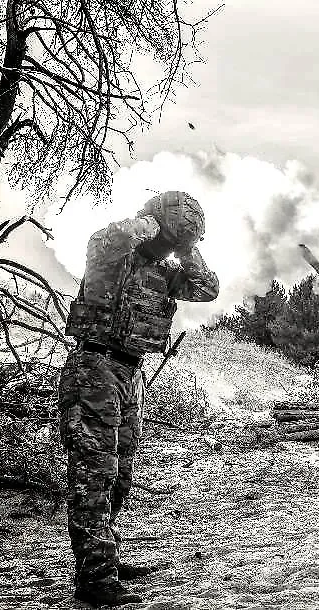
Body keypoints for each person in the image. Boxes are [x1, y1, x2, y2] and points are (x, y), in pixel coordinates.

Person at [59, 191, 219, 606]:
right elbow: (106, 240)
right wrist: (142, 223)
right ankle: (95, 578)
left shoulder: (162, 272)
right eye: (169, 235)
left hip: (130, 374)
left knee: (120, 475)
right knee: (94, 474)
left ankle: (104, 557)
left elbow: (206, 289)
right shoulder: (111, 254)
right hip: (94, 369)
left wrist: (188, 247)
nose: (168, 244)